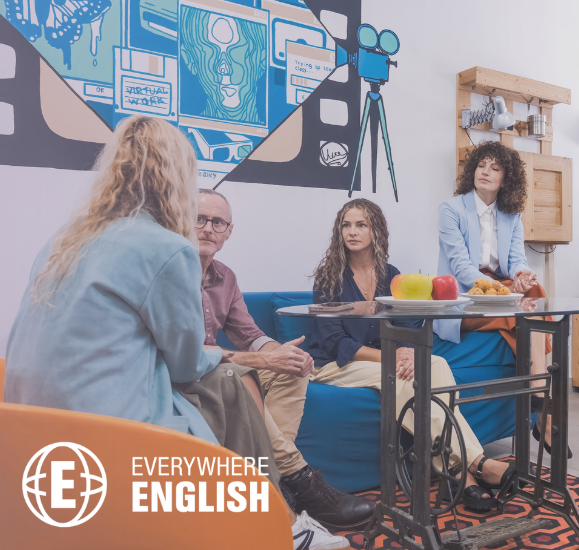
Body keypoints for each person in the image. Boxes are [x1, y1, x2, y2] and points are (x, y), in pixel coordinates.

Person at [4, 116, 349, 550]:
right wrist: (235, 359)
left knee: (232, 380)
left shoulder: (63, 240)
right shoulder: (166, 248)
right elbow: (186, 364)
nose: (206, 226)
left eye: (218, 223)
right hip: (111, 432)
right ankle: (278, 519)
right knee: (230, 386)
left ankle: (276, 509)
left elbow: (240, 334)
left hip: (26, 423)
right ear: (176, 180)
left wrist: (254, 353)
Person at [307, 198, 516, 512]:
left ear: (376, 230)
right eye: (346, 225)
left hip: (381, 357)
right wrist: (392, 359)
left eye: (361, 224)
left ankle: (456, 474)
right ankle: (474, 465)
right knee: (403, 377)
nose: (352, 231)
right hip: (334, 364)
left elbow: (406, 323)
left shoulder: (392, 275)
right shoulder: (328, 277)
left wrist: (407, 351)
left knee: (437, 363)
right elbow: (336, 343)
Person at [195, 188, 375, 530]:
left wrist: (278, 352)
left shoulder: (226, 277)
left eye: (218, 222)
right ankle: (300, 481)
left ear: (229, 231)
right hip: (193, 371)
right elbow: (182, 351)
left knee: (293, 368)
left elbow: (249, 333)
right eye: (199, 219)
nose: (208, 228)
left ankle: (270, 485)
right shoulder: (168, 271)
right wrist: (261, 361)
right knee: (236, 377)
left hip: (221, 365)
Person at [434, 141, 570, 459]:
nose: (486, 171)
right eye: (482, 165)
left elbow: (517, 260)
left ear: (504, 178)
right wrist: (503, 291)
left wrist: (521, 276)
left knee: (534, 292)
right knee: (521, 309)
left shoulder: (512, 215)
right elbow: (461, 268)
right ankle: (543, 411)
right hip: (464, 299)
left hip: (498, 295)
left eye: (495, 168)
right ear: (473, 170)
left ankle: (539, 404)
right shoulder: (451, 209)